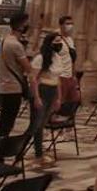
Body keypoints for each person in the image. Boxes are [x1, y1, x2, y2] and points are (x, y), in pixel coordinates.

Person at [0, 12, 35, 140]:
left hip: (4, 84)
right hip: (13, 86)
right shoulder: (15, 45)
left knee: (5, 121)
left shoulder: (5, 40)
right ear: (21, 26)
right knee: (7, 122)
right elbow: (28, 67)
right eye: (26, 23)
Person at [26, 33, 64, 163]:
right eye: (56, 41)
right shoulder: (40, 58)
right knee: (36, 124)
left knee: (42, 124)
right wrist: (36, 97)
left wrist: (59, 97)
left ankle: (38, 150)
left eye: (60, 41)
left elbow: (57, 79)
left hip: (52, 91)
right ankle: (34, 152)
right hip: (42, 90)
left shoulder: (58, 57)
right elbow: (33, 79)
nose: (59, 44)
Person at [55, 15, 80, 104]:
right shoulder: (56, 39)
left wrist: (74, 76)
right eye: (67, 23)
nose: (70, 26)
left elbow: (72, 59)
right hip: (60, 76)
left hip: (69, 76)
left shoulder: (70, 40)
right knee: (59, 102)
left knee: (73, 101)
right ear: (61, 25)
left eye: (71, 24)